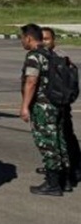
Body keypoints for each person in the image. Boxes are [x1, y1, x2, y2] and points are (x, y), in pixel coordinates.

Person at [20, 23, 69, 196]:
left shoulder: (34, 56)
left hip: (42, 106)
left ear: (28, 38)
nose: (21, 42)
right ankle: (65, 181)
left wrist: (25, 106)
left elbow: (31, 81)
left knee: (47, 143)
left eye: (22, 38)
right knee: (58, 141)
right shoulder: (51, 53)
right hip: (56, 104)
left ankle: (53, 184)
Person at [41, 26, 80, 189]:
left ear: (53, 40)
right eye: (42, 39)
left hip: (60, 102)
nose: (44, 42)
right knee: (60, 137)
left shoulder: (60, 56)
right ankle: (61, 168)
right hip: (52, 102)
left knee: (65, 136)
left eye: (47, 39)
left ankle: (74, 169)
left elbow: (70, 79)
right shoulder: (44, 56)